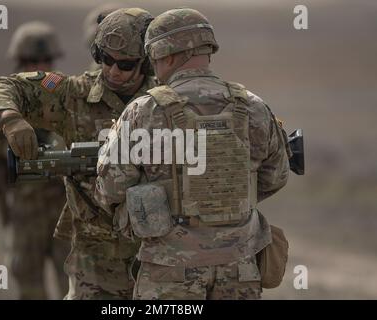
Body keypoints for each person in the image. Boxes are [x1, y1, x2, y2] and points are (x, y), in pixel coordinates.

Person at [94, 8, 290, 299]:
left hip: (169, 271)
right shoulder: (252, 106)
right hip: (239, 267)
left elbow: (110, 187)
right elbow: (275, 176)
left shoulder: (143, 111)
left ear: (168, 55)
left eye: (154, 60)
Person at [0, 8, 156, 299]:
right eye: (105, 59)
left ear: (145, 63)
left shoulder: (165, 102)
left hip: (155, 256)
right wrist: (10, 117)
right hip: (94, 261)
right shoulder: (73, 94)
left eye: (125, 64)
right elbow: (3, 86)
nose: (112, 70)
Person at [0, 21, 69, 299]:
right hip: (24, 211)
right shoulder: (3, 102)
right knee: (30, 286)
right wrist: (6, 142)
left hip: (66, 209)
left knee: (73, 284)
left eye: (45, 60)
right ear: (18, 63)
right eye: (31, 61)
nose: (39, 66)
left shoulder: (69, 95)